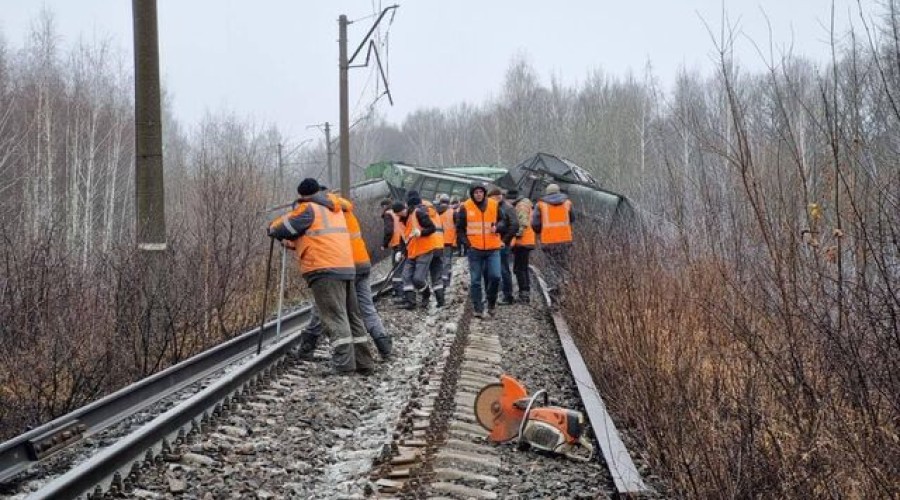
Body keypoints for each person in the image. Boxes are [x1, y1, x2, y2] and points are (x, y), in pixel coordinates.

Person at [268, 178, 374, 376]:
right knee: (352, 316)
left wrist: (272, 227)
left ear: (302, 195)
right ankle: (364, 361)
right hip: (346, 266)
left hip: (324, 269)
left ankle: (343, 364)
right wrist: (292, 244)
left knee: (334, 316)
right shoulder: (333, 209)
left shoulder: (308, 208)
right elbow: (315, 237)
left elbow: (284, 228)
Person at [299, 192, 393, 359]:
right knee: (366, 308)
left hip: (344, 265)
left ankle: (308, 345)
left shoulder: (327, 215)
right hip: (362, 263)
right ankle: (383, 344)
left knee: (324, 305)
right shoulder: (346, 211)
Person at [455, 184, 505, 318]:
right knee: (476, 280)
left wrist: (498, 227)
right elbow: (459, 228)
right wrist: (467, 244)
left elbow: (503, 221)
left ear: (484, 193)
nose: (478, 194)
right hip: (475, 249)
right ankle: (478, 308)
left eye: (481, 192)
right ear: (472, 194)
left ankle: (491, 302)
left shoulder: (494, 205)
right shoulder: (465, 207)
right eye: (476, 192)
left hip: (493, 247)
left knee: (495, 276)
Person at [400, 191, 445, 309]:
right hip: (438, 245)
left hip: (424, 245)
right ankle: (441, 302)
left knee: (419, 277)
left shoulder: (415, 211)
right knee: (436, 275)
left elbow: (423, 228)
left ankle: (425, 297)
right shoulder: (430, 207)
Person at [532, 183, 574, 293]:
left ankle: (553, 286)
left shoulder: (540, 204)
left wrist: (540, 232)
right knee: (563, 263)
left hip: (549, 241)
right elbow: (572, 219)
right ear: (558, 191)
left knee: (551, 264)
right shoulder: (567, 203)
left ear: (547, 193)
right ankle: (565, 283)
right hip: (565, 239)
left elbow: (535, 223)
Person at [488, 187, 519, 305]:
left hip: (502, 243)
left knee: (503, 269)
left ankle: (507, 295)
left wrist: (504, 240)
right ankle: (504, 294)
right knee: (501, 269)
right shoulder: (502, 207)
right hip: (498, 242)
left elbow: (514, 225)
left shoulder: (506, 208)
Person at [509, 190, 535, 303]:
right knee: (522, 268)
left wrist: (514, 234)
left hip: (522, 242)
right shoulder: (526, 204)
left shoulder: (521, 206)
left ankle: (524, 294)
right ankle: (525, 292)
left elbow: (522, 224)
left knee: (519, 269)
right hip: (527, 241)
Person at [380, 199, 405, 300]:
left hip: (397, 244)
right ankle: (403, 290)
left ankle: (399, 292)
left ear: (384, 206)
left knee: (396, 269)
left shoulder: (388, 214)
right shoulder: (397, 212)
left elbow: (389, 231)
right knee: (402, 268)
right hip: (404, 242)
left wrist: (384, 244)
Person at [436, 193, 457, 290]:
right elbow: (457, 227)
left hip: (437, 242)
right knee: (447, 261)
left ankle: (439, 280)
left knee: (438, 262)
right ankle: (446, 281)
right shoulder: (453, 212)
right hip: (449, 241)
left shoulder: (435, 212)